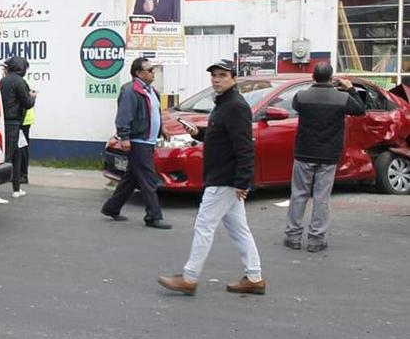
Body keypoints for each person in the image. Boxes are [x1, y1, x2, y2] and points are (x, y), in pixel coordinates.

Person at [158, 59, 265, 296]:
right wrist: (200, 133)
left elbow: (244, 146)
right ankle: (254, 277)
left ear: (233, 78)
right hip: (223, 176)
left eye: (222, 75)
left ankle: (189, 277)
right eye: (214, 75)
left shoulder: (235, 106)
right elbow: (222, 137)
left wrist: (242, 181)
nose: (216, 79)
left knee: (204, 226)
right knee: (239, 229)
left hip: (224, 179)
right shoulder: (223, 104)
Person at [284, 63, 365, 252]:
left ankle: (293, 237)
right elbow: (360, 110)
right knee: (322, 197)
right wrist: (351, 89)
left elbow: (296, 106)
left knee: (298, 195)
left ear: (313, 77)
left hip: (304, 152)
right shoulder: (342, 98)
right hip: (328, 155)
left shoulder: (301, 96)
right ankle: (316, 239)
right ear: (331, 78)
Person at [100, 57, 171, 229]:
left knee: (131, 179)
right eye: (150, 70)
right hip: (139, 141)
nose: (153, 73)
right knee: (148, 179)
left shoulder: (151, 91)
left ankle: (111, 208)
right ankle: (153, 216)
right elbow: (124, 116)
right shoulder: (131, 90)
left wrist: (162, 129)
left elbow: (154, 112)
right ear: (139, 73)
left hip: (148, 141)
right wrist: (124, 137)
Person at [0, 56, 35, 204]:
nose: (4, 69)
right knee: (6, 157)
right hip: (13, 123)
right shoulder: (19, 81)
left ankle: (16, 189)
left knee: (17, 154)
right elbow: (27, 103)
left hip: (8, 122)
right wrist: (33, 97)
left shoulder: (3, 81)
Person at [18, 87, 35, 185]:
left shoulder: (20, 83)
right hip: (24, 120)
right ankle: (21, 174)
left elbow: (27, 102)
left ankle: (22, 175)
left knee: (22, 149)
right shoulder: (22, 83)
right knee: (21, 148)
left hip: (22, 121)